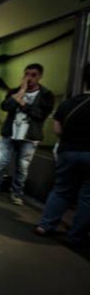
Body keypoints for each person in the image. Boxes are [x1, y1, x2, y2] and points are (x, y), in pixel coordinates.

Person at [0, 63, 54, 205]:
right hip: (9, 134)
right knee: (0, 163)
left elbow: (41, 115)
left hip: (30, 137)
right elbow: (5, 106)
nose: (29, 78)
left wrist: (23, 104)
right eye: (26, 74)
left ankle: (16, 194)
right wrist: (21, 92)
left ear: (40, 76)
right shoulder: (15, 91)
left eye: (33, 75)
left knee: (22, 167)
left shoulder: (46, 95)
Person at [35, 64, 90, 246]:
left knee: (61, 190)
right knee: (86, 197)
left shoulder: (71, 102)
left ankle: (45, 226)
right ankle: (76, 236)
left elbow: (58, 129)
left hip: (68, 152)